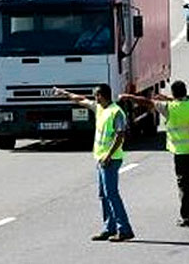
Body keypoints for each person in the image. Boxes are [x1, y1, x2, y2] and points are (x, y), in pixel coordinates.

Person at [55, 84, 135, 242]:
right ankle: (109, 228)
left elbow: (120, 136)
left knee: (112, 194)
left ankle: (124, 229)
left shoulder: (116, 112)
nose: (95, 99)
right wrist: (64, 93)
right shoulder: (100, 108)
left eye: (97, 96)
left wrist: (108, 155)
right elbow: (81, 100)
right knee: (104, 195)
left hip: (110, 160)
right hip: (101, 159)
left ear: (104, 96)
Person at [120, 81, 189, 227]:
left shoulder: (169, 108)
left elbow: (147, 102)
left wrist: (129, 97)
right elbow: (182, 103)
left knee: (184, 186)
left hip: (181, 153)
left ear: (173, 94)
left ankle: (188, 217)